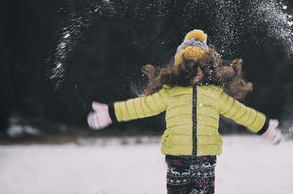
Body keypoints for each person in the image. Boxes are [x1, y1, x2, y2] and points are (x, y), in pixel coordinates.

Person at [87, 29, 281, 194]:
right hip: (176, 159)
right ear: (180, 67)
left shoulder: (214, 94)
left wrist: (263, 126)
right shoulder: (170, 93)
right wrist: (111, 113)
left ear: (207, 66)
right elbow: (141, 106)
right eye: (189, 63)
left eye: (200, 64)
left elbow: (241, 112)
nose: (195, 69)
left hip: (206, 159)